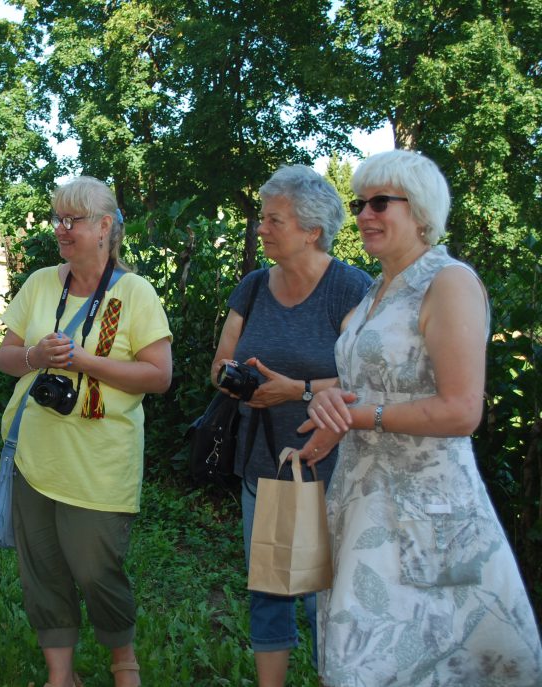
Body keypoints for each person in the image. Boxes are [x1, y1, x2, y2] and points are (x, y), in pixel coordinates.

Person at [297, 149, 542, 685]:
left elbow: (461, 410)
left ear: (423, 211)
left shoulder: (448, 283)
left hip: (428, 514)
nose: (364, 214)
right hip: (363, 502)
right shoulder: (374, 293)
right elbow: (370, 388)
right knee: (364, 659)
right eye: (360, 203)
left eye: (381, 202)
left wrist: (359, 417)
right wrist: (329, 413)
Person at [0, 176, 172, 687]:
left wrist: (84, 361)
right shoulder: (40, 284)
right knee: (43, 570)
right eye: (58, 220)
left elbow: (159, 375)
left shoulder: (133, 293)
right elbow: (8, 358)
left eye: (74, 220)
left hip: (100, 464)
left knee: (98, 573)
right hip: (36, 455)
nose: (62, 230)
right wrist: (34, 357)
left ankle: (123, 660)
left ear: (106, 228)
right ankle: (61, 676)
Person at [210, 165, 371, 687]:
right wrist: (238, 382)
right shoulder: (254, 287)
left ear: (311, 230)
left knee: (328, 595)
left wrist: (298, 391)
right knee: (272, 591)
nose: (261, 228)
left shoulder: (350, 289)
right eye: (262, 217)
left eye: (273, 219)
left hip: (334, 471)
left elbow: (369, 382)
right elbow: (220, 366)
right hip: (268, 465)